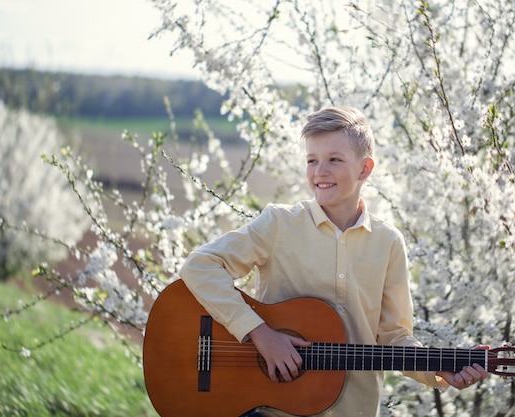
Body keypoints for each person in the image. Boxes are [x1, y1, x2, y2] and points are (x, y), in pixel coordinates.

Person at [179, 106, 488, 417]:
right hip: (273, 409)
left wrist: (438, 371)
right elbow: (199, 266)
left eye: (334, 160)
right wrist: (261, 334)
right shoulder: (279, 224)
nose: (319, 172)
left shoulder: (389, 242)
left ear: (365, 169)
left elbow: (394, 337)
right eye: (312, 161)